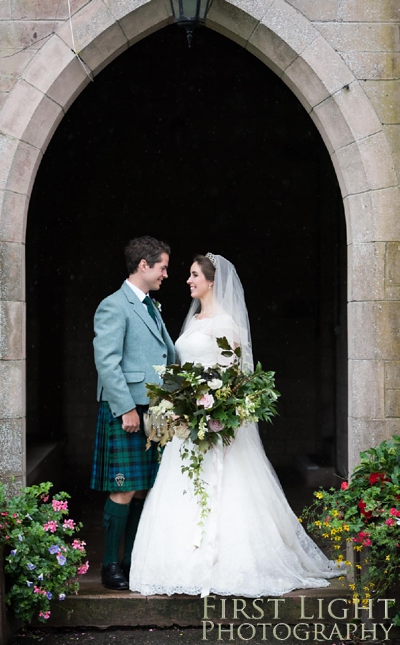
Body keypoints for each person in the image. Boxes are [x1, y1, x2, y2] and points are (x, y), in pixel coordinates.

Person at [129, 253, 340, 597]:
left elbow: (235, 380)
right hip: (186, 425)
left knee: (226, 492)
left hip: (214, 424)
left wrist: (219, 412)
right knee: (180, 487)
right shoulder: (193, 321)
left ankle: (226, 562)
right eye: (189, 275)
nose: (188, 280)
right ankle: (178, 563)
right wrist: (179, 405)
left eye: (195, 275)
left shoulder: (226, 325)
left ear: (213, 282)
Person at [90, 236, 176, 591]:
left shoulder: (149, 305)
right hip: (127, 408)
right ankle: (110, 565)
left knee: (146, 489)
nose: (166, 274)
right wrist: (125, 407)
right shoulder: (114, 305)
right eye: (162, 267)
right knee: (122, 488)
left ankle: (132, 560)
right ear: (144, 265)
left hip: (155, 409)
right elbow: (106, 360)